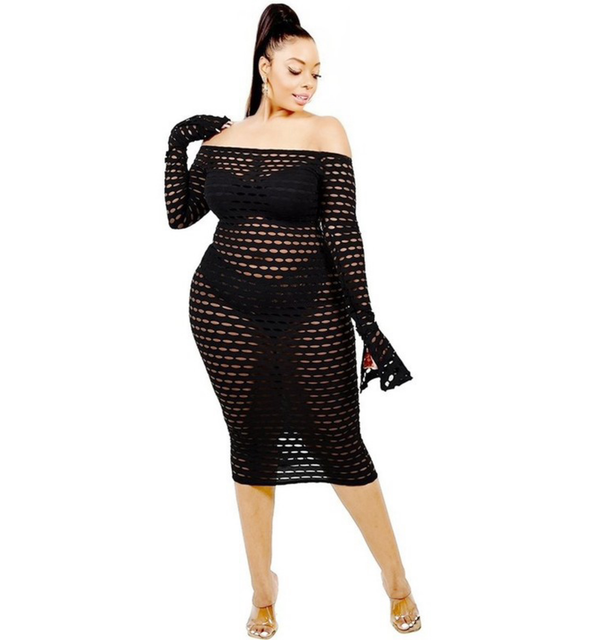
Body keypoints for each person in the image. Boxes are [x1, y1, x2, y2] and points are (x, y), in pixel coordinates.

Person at [164, 4, 420, 637]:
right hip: (223, 309)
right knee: (249, 443)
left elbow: (344, 233)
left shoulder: (325, 131)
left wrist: (368, 325)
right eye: (296, 69)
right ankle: (263, 590)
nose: (308, 83)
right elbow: (180, 216)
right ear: (265, 67)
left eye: (316, 73)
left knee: (340, 444)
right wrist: (178, 141)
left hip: (312, 308)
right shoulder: (222, 140)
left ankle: (396, 579)